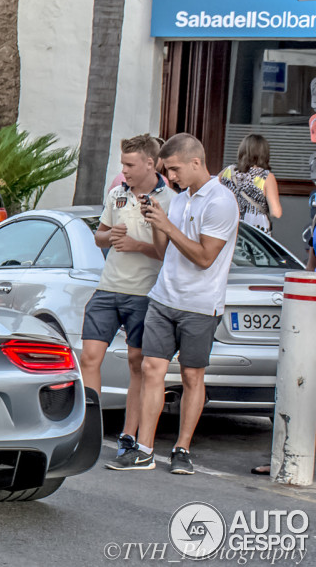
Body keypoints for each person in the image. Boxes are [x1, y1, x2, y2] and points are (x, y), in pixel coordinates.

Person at [108, 133, 239, 475]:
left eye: (176, 170)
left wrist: (167, 224)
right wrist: (156, 225)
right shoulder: (180, 200)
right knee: (152, 369)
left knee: (192, 376)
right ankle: (144, 449)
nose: (172, 178)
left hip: (200, 303)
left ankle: (182, 448)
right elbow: (166, 253)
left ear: (197, 162)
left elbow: (205, 257)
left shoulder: (221, 202)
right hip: (164, 298)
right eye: (169, 171)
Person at [80, 135, 175, 464]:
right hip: (109, 287)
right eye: (123, 164)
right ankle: (89, 427)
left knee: (137, 364)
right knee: (90, 356)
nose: (124, 171)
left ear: (150, 163)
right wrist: (110, 237)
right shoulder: (117, 193)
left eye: (130, 165)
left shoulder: (170, 199)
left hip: (144, 293)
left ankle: (129, 434)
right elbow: (98, 236)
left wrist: (139, 246)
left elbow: (166, 253)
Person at [219, 134, 282, 233]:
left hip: (227, 226)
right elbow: (276, 212)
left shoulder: (228, 171)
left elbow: (211, 191)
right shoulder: (266, 177)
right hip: (254, 231)